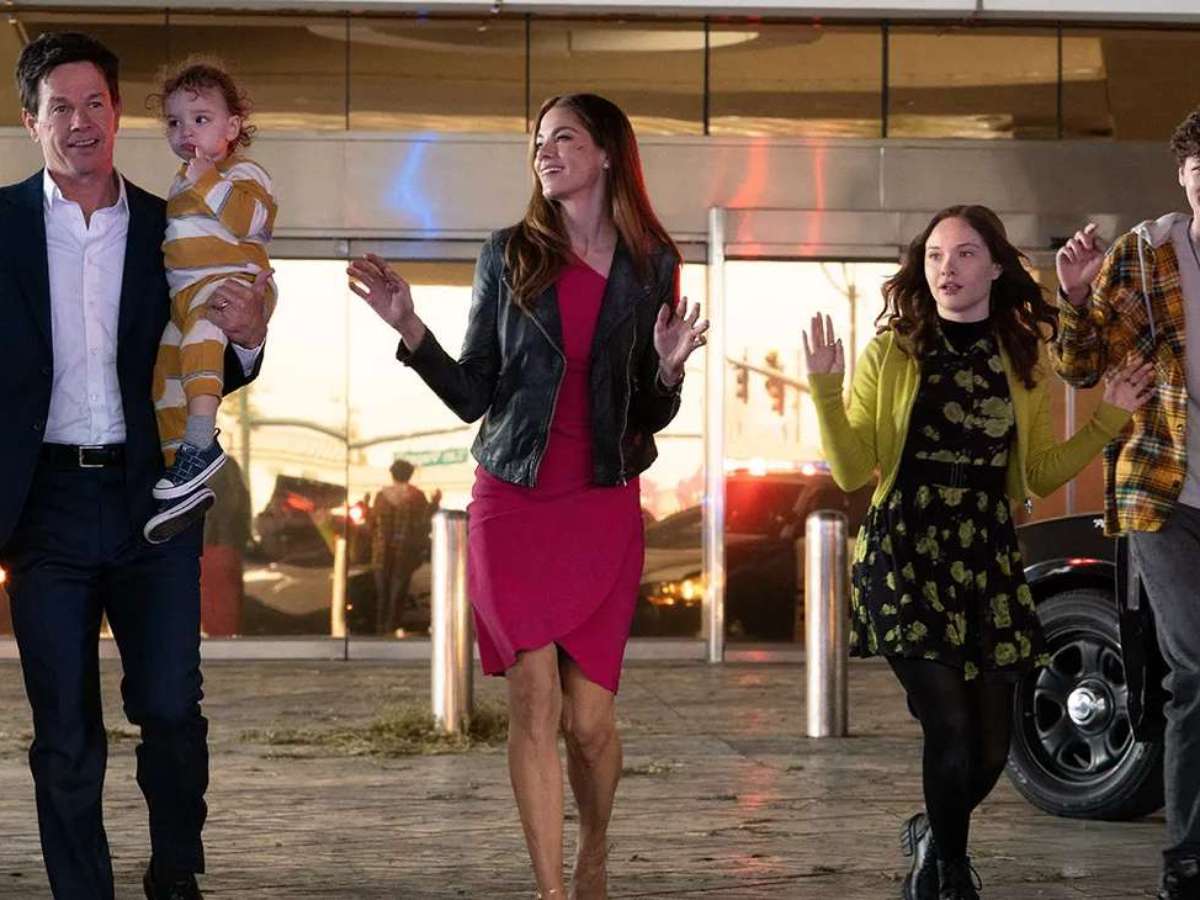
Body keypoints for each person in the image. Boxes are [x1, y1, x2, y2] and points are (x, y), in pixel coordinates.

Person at [347, 93, 707, 899]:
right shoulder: (508, 254)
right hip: (512, 499)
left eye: (563, 138)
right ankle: (551, 891)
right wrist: (411, 328)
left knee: (591, 725)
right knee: (535, 703)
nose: (545, 151)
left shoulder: (652, 262)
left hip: (601, 501)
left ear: (606, 153)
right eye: (539, 140)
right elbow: (473, 393)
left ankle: (594, 852)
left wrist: (669, 367)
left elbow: (649, 413)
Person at [804, 205, 1151, 900]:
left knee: (992, 746)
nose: (947, 269)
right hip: (904, 549)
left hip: (984, 553)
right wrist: (825, 390)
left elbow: (1039, 474)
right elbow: (851, 470)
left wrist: (1110, 418)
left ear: (994, 267)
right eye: (935, 256)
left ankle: (932, 834)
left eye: (964, 254)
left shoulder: (1021, 360)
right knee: (951, 726)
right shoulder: (893, 352)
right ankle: (950, 874)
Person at [0, 32, 269, 900]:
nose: (80, 122)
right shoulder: (0, 226)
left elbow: (209, 345)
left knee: (169, 707)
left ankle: (175, 870)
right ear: (31, 120)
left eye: (95, 104)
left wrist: (251, 337)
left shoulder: (170, 224)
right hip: (41, 507)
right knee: (64, 729)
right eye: (60, 108)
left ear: (117, 114)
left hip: (151, 497)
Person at [1054, 106, 1200, 900]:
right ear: (1182, 175)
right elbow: (1080, 366)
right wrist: (1074, 296)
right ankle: (1186, 857)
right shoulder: (1142, 258)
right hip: (1165, 491)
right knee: (1195, 665)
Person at [143, 60, 278, 544]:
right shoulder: (181, 183)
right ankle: (182, 474)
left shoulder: (242, 172)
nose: (186, 131)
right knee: (166, 378)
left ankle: (201, 440)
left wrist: (206, 179)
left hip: (228, 284)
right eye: (175, 122)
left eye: (201, 119)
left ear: (232, 127)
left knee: (202, 341)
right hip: (188, 294)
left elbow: (252, 221)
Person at [370, 458, 436, 635]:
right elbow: (425, 525)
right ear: (410, 475)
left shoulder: (380, 496)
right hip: (405, 553)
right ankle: (392, 630)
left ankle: (380, 631)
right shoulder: (417, 497)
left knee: (382, 596)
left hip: (381, 553)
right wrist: (435, 503)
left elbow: (372, 525)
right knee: (397, 595)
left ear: (392, 474)